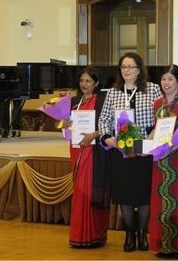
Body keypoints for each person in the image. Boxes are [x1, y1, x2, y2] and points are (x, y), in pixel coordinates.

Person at [98, 52, 162, 252]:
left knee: (144, 195)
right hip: (120, 152)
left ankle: (143, 233)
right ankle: (129, 234)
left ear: (139, 69)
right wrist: (108, 138)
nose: (127, 70)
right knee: (124, 195)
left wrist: (151, 138)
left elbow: (163, 116)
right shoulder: (113, 92)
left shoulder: (152, 89)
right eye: (123, 67)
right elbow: (103, 119)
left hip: (144, 150)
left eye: (131, 67)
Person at [148, 64, 178, 259]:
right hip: (159, 158)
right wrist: (147, 143)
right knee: (160, 199)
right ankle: (163, 245)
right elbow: (155, 129)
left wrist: (171, 148)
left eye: (170, 79)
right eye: (163, 79)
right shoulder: (157, 103)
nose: (166, 83)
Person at [68, 66, 110, 248]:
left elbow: (108, 125)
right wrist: (66, 124)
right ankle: (78, 234)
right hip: (77, 148)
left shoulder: (102, 101)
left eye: (88, 81)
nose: (84, 84)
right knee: (79, 193)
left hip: (94, 151)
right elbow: (68, 128)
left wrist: (93, 135)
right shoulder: (74, 101)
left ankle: (93, 233)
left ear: (96, 84)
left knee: (91, 192)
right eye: (82, 81)